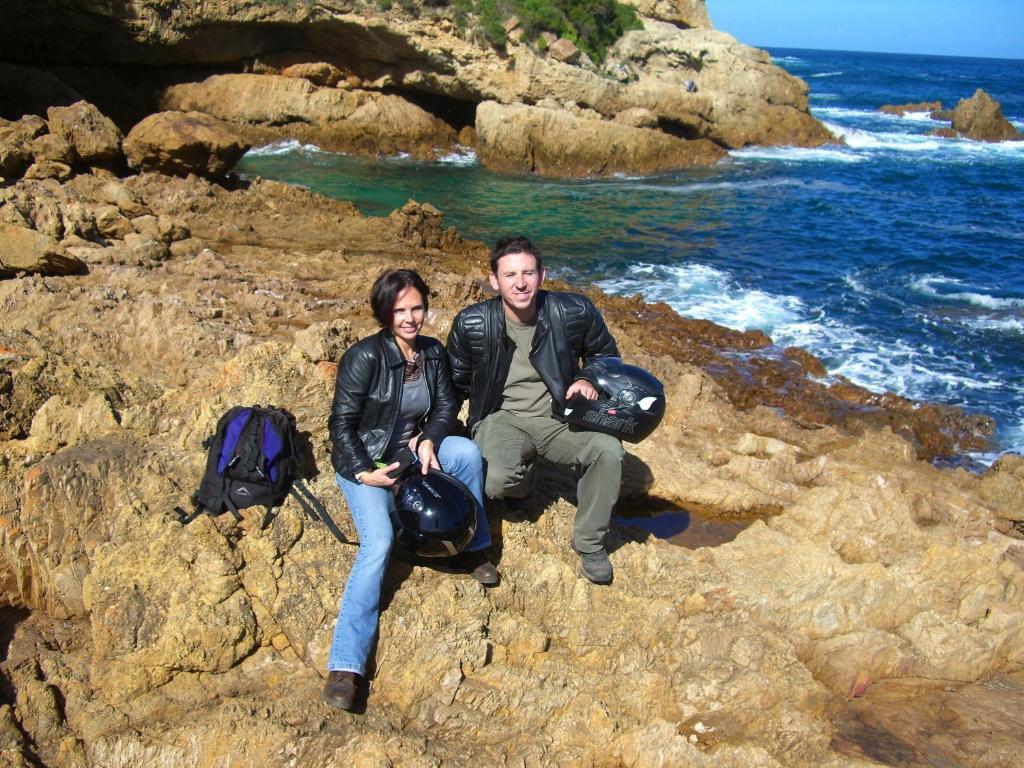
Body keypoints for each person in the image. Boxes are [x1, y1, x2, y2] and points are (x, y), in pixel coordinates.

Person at [324, 268, 498, 712]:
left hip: (409, 456)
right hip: (366, 462)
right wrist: (365, 472)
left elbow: (445, 405)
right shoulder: (364, 357)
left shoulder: (432, 352)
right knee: (378, 543)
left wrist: (429, 440)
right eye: (400, 310)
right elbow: (341, 426)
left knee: (467, 454)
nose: (410, 318)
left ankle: (475, 547)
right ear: (385, 313)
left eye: (416, 307)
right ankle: (347, 665)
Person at [446, 236, 624, 585]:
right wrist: (433, 433)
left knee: (609, 451)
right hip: (501, 418)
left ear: (542, 275)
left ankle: (589, 542)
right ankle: (524, 480)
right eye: (510, 274)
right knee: (498, 480)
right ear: (494, 280)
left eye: (528, 273)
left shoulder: (573, 311)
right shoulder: (472, 323)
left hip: (560, 418)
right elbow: (453, 385)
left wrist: (587, 377)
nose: (521, 282)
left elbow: (607, 356)